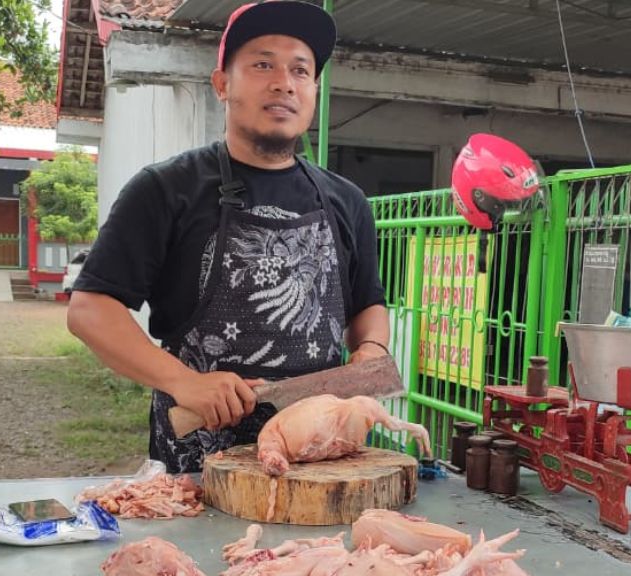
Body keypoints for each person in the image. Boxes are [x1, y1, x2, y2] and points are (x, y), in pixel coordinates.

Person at [67, 0, 390, 474]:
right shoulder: (165, 189)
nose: (284, 82)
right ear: (222, 84)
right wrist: (185, 383)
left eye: (300, 71)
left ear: (314, 91)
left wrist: (373, 351)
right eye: (263, 64)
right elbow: (90, 310)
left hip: (319, 458)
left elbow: (367, 304)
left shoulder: (346, 201)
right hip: (200, 464)